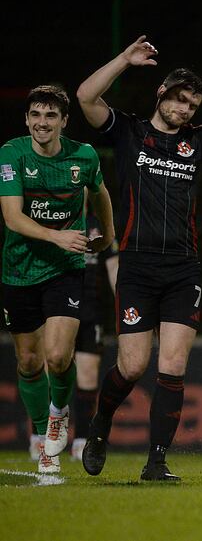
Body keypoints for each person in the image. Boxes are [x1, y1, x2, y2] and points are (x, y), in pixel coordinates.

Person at [76, 35, 202, 481]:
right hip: (137, 267)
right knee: (132, 365)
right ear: (161, 93)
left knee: (174, 365)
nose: (185, 110)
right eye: (180, 100)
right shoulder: (127, 131)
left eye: (192, 106)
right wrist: (124, 58)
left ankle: (156, 462)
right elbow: (85, 96)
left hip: (184, 269)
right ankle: (100, 424)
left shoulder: (197, 141)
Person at [0, 85, 115, 474]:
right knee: (29, 361)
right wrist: (58, 235)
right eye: (35, 115)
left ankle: (57, 416)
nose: (41, 122)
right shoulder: (11, 154)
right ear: (27, 119)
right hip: (19, 269)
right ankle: (39, 434)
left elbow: (100, 194)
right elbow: (13, 218)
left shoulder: (83, 156)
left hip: (66, 269)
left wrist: (110, 235)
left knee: (57, 356)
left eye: (50, 115)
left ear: (64, 121)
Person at [70, 208, 119, 460]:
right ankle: (42, 435)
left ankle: (80, 439)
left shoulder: (99, 227)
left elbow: (114, 268)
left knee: (88, 374)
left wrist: (124, 306)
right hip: (60, 308)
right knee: (53, 367)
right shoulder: (56, 218)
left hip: (92, 311)